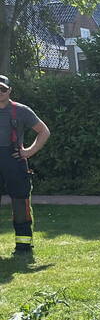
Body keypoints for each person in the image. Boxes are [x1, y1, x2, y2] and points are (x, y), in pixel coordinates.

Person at [0, 74, 50, 255]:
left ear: (9, 91)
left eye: (3, 89)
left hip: (14, 162)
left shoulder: (21, 110)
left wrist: (29, 151)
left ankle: (23, 245)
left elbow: (44, 131)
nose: (0, 92)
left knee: (20, 203)